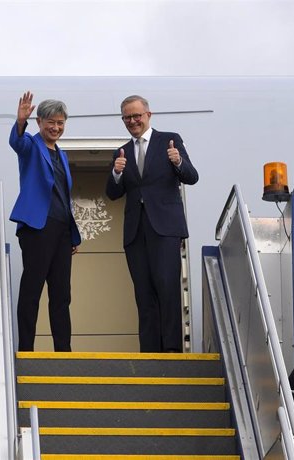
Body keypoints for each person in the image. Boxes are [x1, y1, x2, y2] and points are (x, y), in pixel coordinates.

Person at [106, 95, 199, 353]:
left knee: (167, 287)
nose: (132, 121)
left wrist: (177, 161)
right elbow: (112, 193)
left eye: (137, 115)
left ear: (149, 115)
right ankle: (149, 351)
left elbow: (192, 177)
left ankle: (170, 349)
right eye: (127, 117)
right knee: (143, 292)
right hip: (136, 231)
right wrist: (116, 172)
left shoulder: (169, 140)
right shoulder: (121, 152)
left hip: (166, 228)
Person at [9, 91, 81, 352]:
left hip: (62, 230)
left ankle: (64, 350)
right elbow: (17, 143)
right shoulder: (31, 145)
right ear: (39, 122)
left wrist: (72, 234)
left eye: (60, 122)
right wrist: (20, 122)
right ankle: (26, 349)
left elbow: (64, 195)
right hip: (37, 228)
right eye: (51, 122)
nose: (56, 127)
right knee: (32, 290)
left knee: (62, 294)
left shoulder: (61, 154)